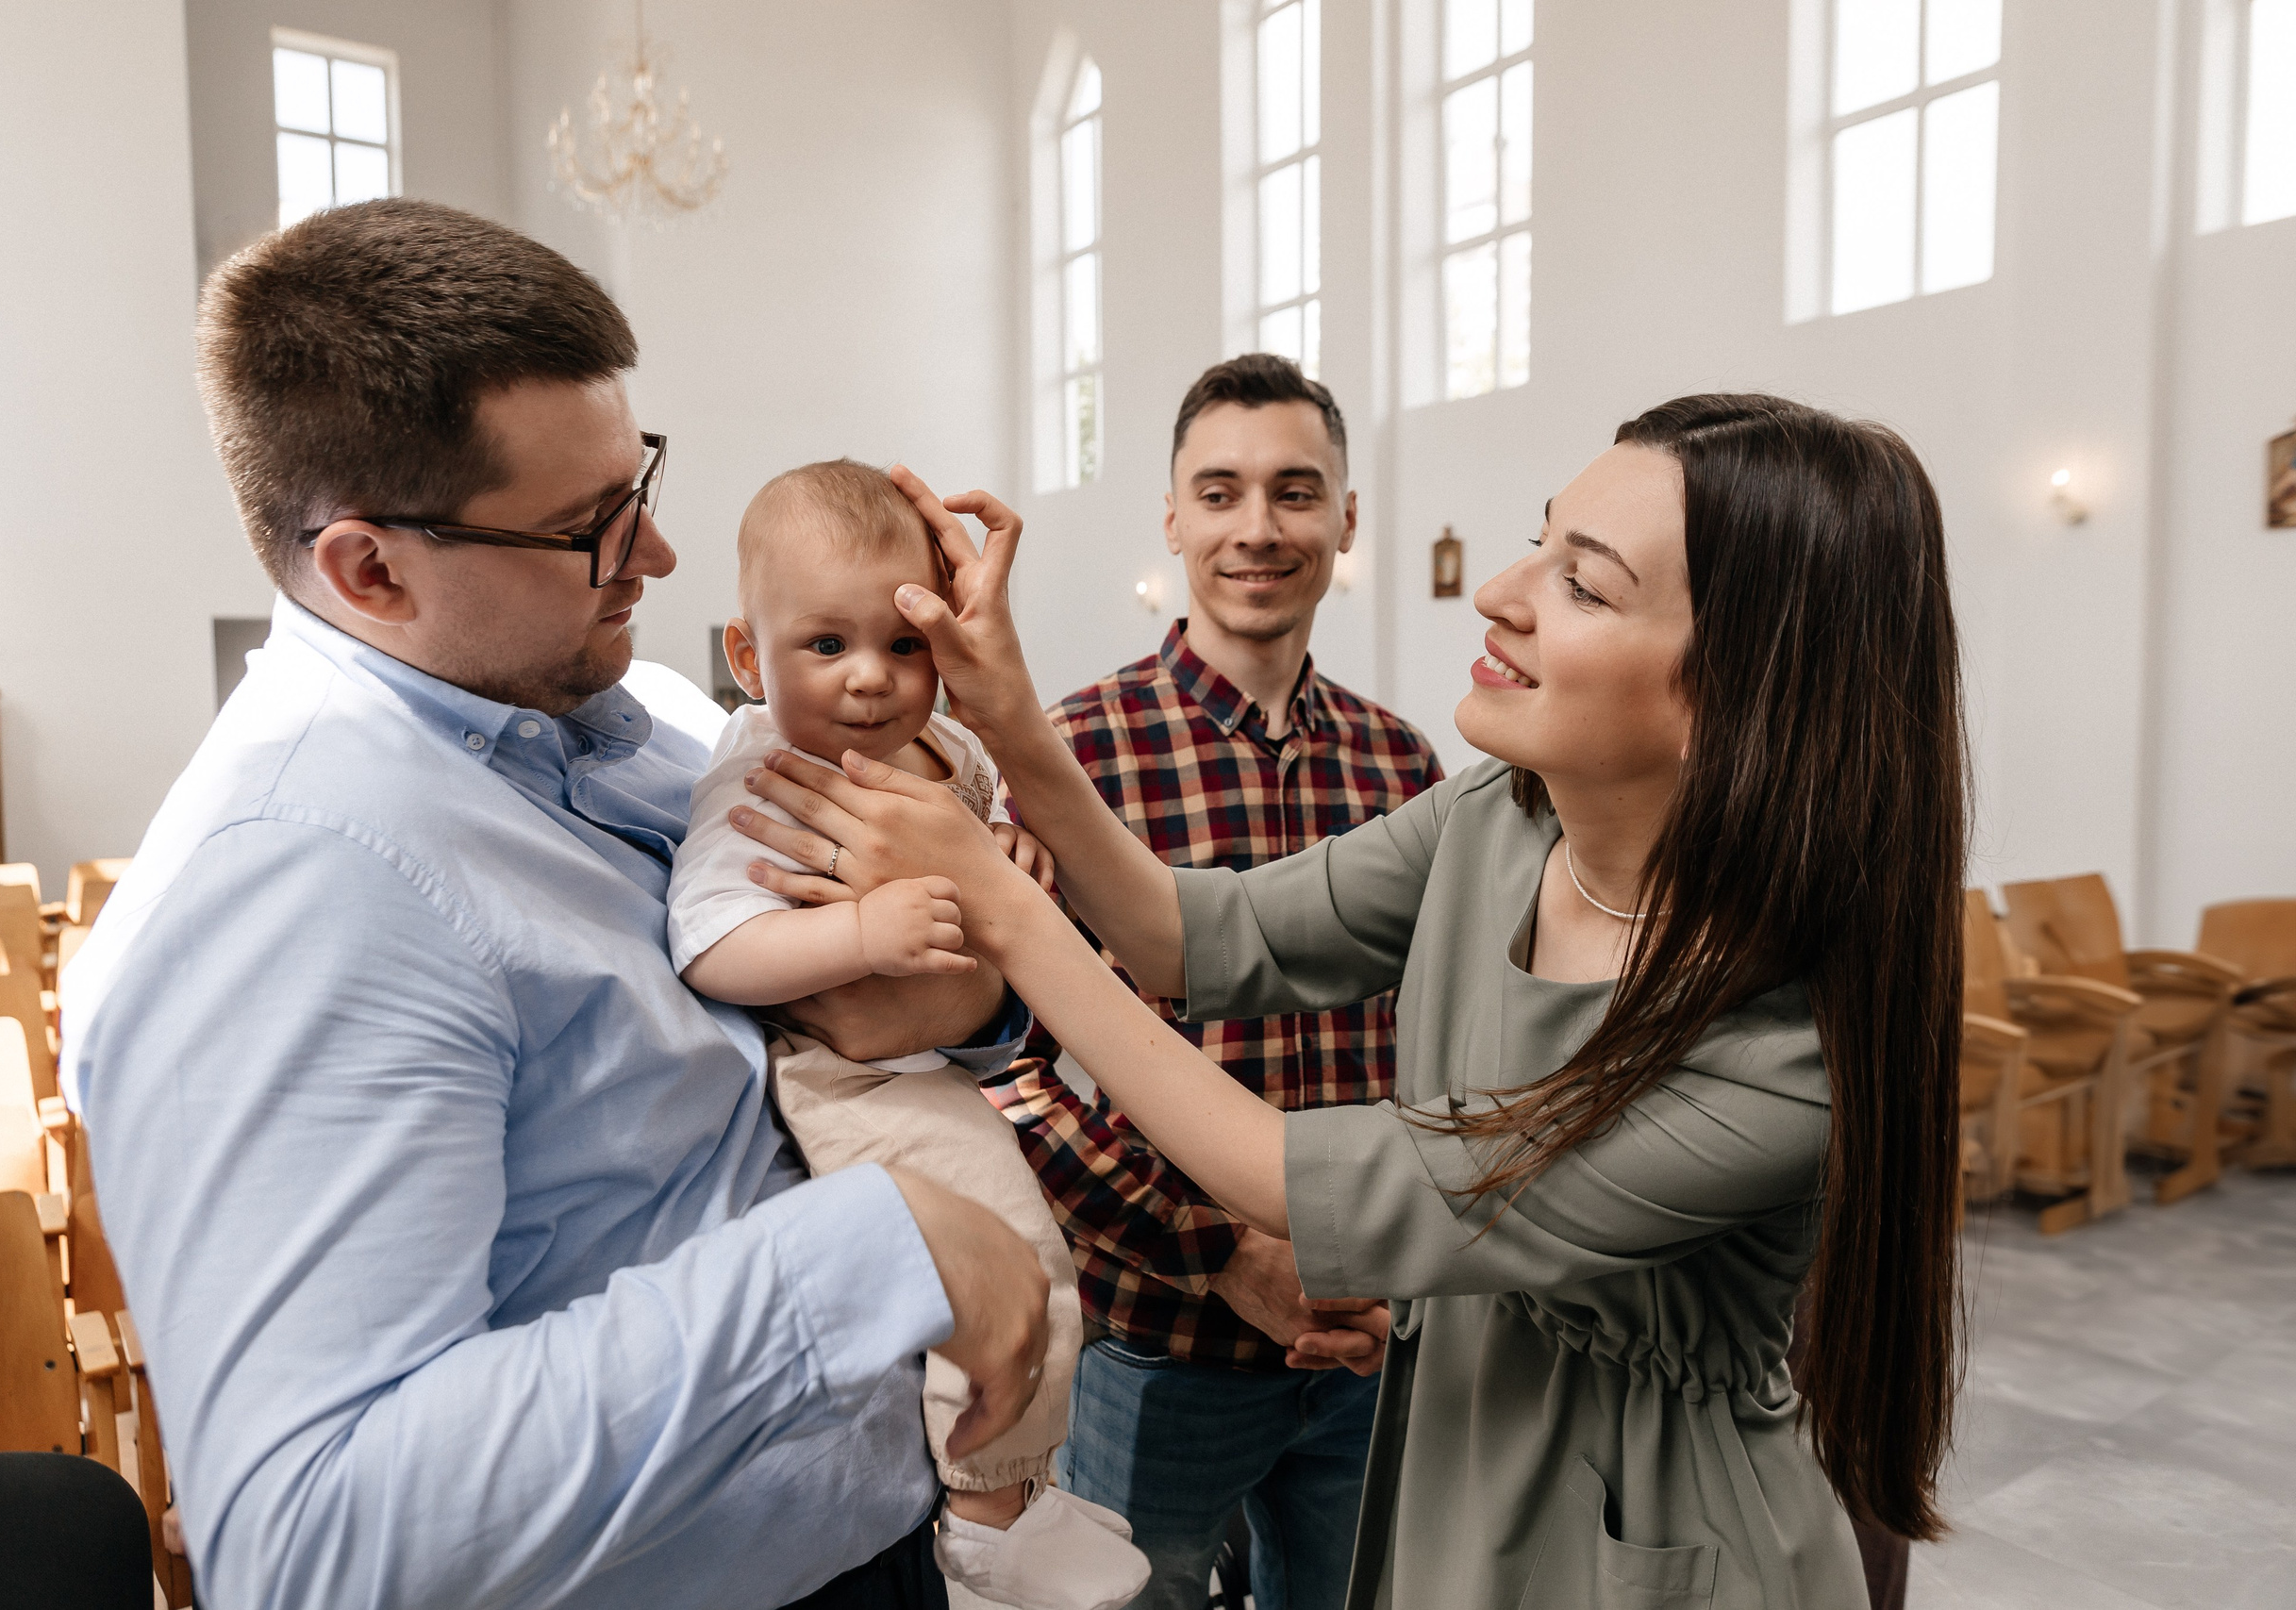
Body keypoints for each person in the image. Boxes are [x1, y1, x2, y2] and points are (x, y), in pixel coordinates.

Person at [729, 393, 1966, 1608]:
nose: (1500, 589)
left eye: (1582, 583)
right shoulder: (1500, 819)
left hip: (1651, 1539)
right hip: (1426, 1440)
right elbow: (1193, 935)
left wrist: (994, 898)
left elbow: (1292, 1173)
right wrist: (1001, 704)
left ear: (1731, 694)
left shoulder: (1771, 1049)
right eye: (1541, 538)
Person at [58, 198, 1053, 1610]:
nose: (652, 556)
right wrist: (865, 1253)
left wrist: (974, 992)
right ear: (372, 567)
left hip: (870, 1542)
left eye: (637, 484)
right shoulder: (295, 885)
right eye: (590, 527)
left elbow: (851, 1003)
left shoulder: (629, 710)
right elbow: (318, 1540)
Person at [982, 355, 1439, 1610]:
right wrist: (1217, 1243)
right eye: (1220, 491)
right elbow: (994, 1064)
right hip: (1159, 1337)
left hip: (1365, 1339)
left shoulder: (1400, 760)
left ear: (1347, 520)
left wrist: (1393, 1259)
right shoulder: (1072, 753)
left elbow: (1431, 1035)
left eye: (1296, 492)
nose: (1258, 527)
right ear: (1173, 517)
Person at [670, 458, 1147, 1610]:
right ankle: (985, 1538)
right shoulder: (760, 775)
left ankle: (1010, 1501)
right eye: (824, 646)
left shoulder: (950, 755)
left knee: (1047, 1273)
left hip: (943, 1068)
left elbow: (993, 851)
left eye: (903, 645)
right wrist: (860, 936)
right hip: (851, 1081)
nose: (872, 682)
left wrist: (1011, 861)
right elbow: (712, 947)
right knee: (1015, 1274)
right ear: (748, 657)